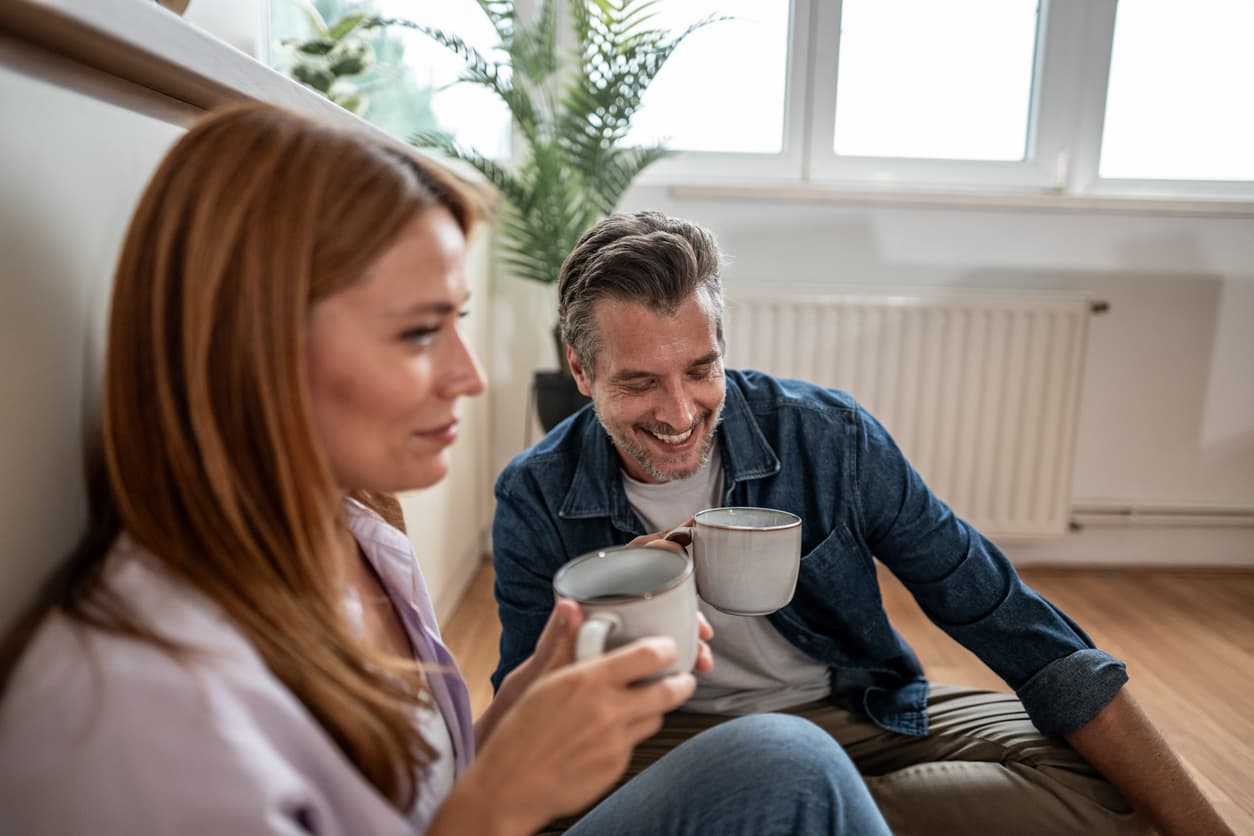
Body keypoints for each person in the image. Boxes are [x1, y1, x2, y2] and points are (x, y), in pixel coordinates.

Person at [0, 106, 890, 836]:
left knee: (787, 759)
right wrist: (499, 809)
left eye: (457, 321)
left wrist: (531, 693)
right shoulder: (130, 709)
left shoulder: (362, 540)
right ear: (253, 349)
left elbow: (429, 793)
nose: (469, 375)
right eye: (421, 331)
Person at [491, 211, 1236, 836]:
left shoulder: (831, 438)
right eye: (639, 383)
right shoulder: (535, 494)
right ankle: (786, 805)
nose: (681, 414)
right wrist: (610, 600)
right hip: (660, 740)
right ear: (583, 373)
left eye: (700, 370)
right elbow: (519, 723)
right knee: (549, 815)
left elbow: (1009, 621)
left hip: (850, 709)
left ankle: (790, 812)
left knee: (1105, 781)